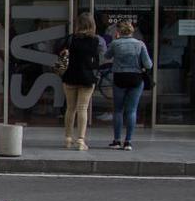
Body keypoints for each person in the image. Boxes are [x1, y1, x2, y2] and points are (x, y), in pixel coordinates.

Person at [105, 20, 153, 151]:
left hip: (120, 77)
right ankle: (128, 141)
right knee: (131, 110)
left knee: (118, 110)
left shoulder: (115, 44)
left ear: (118, 31)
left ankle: (116, 140)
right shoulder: (140, 44)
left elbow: (106, 55)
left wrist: (114, 42)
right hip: (135, 78)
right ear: (132, 31)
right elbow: (148, 64)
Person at [60, 12, 105, 151]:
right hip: (87, 77)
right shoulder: (97, 40)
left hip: (70, 76)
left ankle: (68, 138)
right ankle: (80, 140)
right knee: (82, 108)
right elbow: (102, 59)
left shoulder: (70, 39)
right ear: (92, 24)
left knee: (70, 108)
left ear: (78, 24)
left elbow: (61, 53)